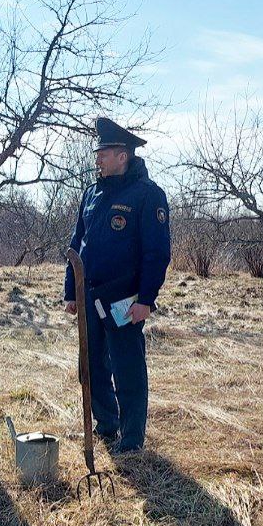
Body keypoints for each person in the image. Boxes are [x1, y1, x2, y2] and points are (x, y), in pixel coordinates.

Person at [63, 117, 171, 454]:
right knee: (92, 365)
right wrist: (71, 291)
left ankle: (132, 437)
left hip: (125, 298)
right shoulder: (92, 193)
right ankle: (106, 425)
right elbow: (76, 243)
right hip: (90, 295)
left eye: (103, 152)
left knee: (128, 369)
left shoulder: (147, 195)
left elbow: (157, 253)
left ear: (122, 155)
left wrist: (147, 299)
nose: (97, 158)